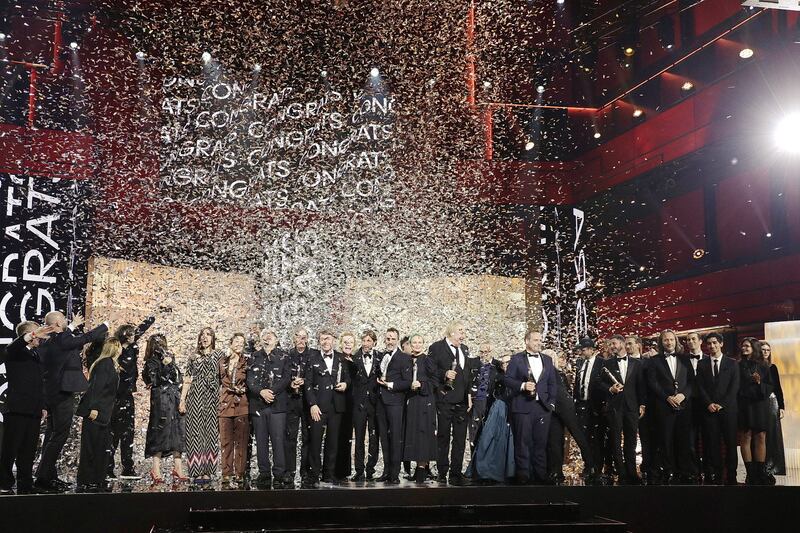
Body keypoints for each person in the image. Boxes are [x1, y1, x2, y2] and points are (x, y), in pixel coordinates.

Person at [35, 311, 109, 493]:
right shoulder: (62, 340)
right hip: (62, 394)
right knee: (59, 435)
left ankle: (49, 476)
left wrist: (72, 326)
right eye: (63, 319)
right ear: (57, 324)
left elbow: (67, 339)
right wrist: (106, 324)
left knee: (52, 435)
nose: (66, 321)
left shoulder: (51, 341)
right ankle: (43, 477)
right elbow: (86, 338)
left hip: (52, 393)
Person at [0, 322, 54, 494]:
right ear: (28, 334)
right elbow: (13, 347)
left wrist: (43, 406)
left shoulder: (35, 354)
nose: (39, 337)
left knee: (28, 450)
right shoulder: (14, 352)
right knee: (10, 449)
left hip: (33, 409)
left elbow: (38, 383)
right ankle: (4, 484)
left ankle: (25, 484)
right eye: (36, 333)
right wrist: (32, 335)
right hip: (17, 409)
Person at [503, 330, 557, 484]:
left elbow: (552, 383)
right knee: (522, 442)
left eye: (540, 340)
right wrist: (522, 385)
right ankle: (523, 476)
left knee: (541, 443)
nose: (539, 343)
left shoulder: (547, 360)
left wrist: (551, 403)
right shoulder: (516, 359)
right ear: (527, 341)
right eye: (535, 340)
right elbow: (507, 380)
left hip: (543, 407)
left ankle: (540, 475)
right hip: (523, 406)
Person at [107, 316, 155, 481]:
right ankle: (108, 468)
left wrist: (151, 318)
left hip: (127, 394)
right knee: (113, 433)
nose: (134, 336)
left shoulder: (132, 347)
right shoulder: (116, 350)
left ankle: (127, 468)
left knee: (128, 432)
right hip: (115, 396)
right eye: (131, 334)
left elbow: (140, 330)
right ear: (125, 336)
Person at [647, 329, 696, 485]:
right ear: (661, 342)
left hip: (684, 406)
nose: (669, 342)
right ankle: (668, 471)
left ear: (676, 341)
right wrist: (666, 397)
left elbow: (692, 382)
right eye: (666, 340)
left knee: (683, 440)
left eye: (671, 339)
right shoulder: (654, 360)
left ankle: (684, 472)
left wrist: (683, 395)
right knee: (665, 440)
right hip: (663, 406)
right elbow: (652, 383)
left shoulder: (685, 359)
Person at [428, 321, 475, 485]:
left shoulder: (464, 349)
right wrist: (444, 374)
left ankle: (456, 474)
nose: (463, 334)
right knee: (443, 437)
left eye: (464, 331)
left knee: (460, 439)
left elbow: (467, 373)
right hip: (444, 400)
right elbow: (430, 370)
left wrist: (469, 395)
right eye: (460, 331)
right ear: (451, 332)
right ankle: (442, 472)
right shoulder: (437, 347)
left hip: (462, 401)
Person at [304, 329, 351, 486]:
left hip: (336, 406)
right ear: (319, 341)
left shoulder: (341, 358)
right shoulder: (312, 358)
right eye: (323, 339)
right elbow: (308, 383)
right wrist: (312, 404)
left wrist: (345, 384)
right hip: (318, 406)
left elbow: (348, 379)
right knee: (315, 442)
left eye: (328, 338)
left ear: (333, 340)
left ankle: (328, 474)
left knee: (333, 442)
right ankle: (314, 475)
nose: (325, 341)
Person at [246, 328, 291, 489]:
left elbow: (286, 378)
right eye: (264, 336)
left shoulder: (284, 356)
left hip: (277, 405)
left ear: (276, 339)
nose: (267, 338)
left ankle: (279, 474)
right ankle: (264, 473)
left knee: (278, 440)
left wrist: (271, 392)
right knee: (261, 441)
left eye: (270, 336)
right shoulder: (253, 357)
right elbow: (250, 380)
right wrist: (261, 392)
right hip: (258, 405)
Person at [600, 334, 647, 485]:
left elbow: (641, 385)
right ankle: (621, 474)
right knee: (615, 441)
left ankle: (632, 473)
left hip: (632, 407)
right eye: (610, 344)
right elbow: (599, 383)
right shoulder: (607, 363)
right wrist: (610, 389)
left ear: (622, 343)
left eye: (614, 343)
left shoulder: (637, 363)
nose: (612, 346)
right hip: (614, 407)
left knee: (631, 441)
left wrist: (642, 404)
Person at [76, 338, 121, 492]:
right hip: (96, 412)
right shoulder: (105, 363)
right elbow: (96, 387)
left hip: (104, 413)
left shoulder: (109, 363)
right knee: (92, 446)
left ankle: (96, 478)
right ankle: (88, 479)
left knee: (100, 446)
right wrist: (93, 408)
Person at [180, 327, 223, 485]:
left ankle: (208, 471)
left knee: (211, 434)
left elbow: (224, 378)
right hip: (195, 397)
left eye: (208, 335)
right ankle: (197, 470)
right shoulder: (193, 356)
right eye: (203, 335)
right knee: (195, 433)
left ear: (213, 338)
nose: (205, 337)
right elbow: (187, 379)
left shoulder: (219, 355)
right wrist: (182, 400)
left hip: (213, 398)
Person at [695, 332, 739, 485]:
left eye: (714, 343)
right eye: (709, 343)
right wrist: (708, 403)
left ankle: (731, 475)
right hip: (709, 411)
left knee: (730, 444)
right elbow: (700, 387)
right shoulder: (702, 364)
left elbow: (734, 387)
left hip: (728, 411)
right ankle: (717, 474)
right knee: (712, 444)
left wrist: (722, 404)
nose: (712, 346)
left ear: (721, 344)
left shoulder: (732, 363)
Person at [545, 349, 594, 485]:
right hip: (553, 406)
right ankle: (557, 472)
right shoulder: (554, 372)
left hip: (564, 405)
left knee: (577, 433)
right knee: (554, 438)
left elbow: (564, 392)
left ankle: (591, 465)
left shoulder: (553, 372)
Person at [143, 334, 187, 483]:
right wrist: (165, 364)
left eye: (162, 343)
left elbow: (178, 378)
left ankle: (178, 468)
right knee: (159, 431)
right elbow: (153, 380)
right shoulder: (151, 362)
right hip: (161, 400)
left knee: (178, 431)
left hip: (174, 397)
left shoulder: (170, 358)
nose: (160, 346)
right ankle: (155, 469)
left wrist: (181, 398)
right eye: (157, 343)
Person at [376, 328, 412, 484]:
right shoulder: (382, 356)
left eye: (392, 339)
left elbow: (407, 382)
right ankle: (386, 471)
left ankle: (395, 474)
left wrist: (389, 384)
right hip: (381, 402)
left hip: (396, 402)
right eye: (388, 338)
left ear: (397, 340)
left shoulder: (404, 358)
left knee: (396, 438)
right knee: (384, 438)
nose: (390, 341)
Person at [350, 330, 385, 482]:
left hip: (375, 403)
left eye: (369, 340)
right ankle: (359, 470)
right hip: (359, 404)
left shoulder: (381, 357)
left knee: (374, 437)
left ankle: (371, 469)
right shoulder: (354, 358)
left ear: (374, 342)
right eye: (364, 340)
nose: (365, 343)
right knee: (359, 438)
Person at [403, 334, 438, 483]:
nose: (417, 345)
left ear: (423, 344)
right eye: (414, 343)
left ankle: (422, 469)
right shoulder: (406, 360)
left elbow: (435, 381)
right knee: (412, 433)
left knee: (423, 434)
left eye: (419, 342)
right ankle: (416, 469)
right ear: (410, 345)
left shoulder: (428, 360)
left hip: (425, 401)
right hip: (411, 401)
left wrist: (422, 385)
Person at [284, 326, 316, 487]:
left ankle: (305, 472)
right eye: (298, 337)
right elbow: (282, 376)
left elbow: (316, 377)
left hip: (308, 401)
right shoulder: (287, 355)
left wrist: (305, 382)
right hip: (292, 400)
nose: (301, 340)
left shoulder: (314, 355)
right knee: (290, 437)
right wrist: (291, 383)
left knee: (307, 437)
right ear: (294, 338)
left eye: (304, 337)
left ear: (307, 339)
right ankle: (289, 472)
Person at [738, 337, 773, 485]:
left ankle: (760, 473)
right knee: (745, 437)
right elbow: (735, 386)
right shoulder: (738, 365)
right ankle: (750, 474)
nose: (744, 348)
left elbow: (770, 386)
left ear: (754, 348)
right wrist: (749, 381)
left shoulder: (764, 366)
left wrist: (759, 382)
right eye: (743, 346)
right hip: (744, 405)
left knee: (761, 437)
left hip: (760, 405)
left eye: (747, 346)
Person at [218, 333, 250, 489]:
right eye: (236, 341)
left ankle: (240, 473)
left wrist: (244, 389)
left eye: (241, 342)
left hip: (241, 405)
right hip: (225, 405)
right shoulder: (222, 361)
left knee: (241, 441)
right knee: (226, 441)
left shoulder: (247, 361)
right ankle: (226, 473)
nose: (238, 344)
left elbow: (251, 382)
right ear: (230, 343)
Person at [573, 337, 606, 484]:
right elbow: (578, 383)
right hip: (581, 405)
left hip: (596, 406)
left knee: (597, 438)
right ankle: (588, 465)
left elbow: (602, 385)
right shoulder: (580, 363)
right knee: (584, 437)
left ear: (592, 350)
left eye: (584, 349)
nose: (581, 352)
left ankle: (597, 468)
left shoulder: (601, 363)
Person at [626, 335, 655, 484]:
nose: (627, 347)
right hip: (627, 407)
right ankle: (630, 472)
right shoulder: (622, 362)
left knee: (647, 438)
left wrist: (644, 404)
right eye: (626, 344)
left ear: (638, 345)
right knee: (629, 440)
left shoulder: (648, 362)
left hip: (646, 407)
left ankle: (647, 468)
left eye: (630, 343)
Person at [761, 341, 785, 483]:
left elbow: (778, 388)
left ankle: (771, 468)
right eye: (763, 349)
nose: (765, 352)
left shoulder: (772, 367)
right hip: (758, 404)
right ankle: (760, 468)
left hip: (772, 402)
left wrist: (782, 407)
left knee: (772, 434)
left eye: (768, 350)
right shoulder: (754, 366)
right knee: (760, 436)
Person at [468, 343, 499, 451]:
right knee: (474, 432)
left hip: (491, 401)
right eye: (481, 352)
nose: (484, 354)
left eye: (486, 352)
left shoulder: (498, 365)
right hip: (476, 402)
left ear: (491, 352)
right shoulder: (472, 363)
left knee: (489, 430)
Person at [684, 332, 706, 480]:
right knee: (690, 441)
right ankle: (694, 471)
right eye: (688, 340)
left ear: (700, 341)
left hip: (707, 406)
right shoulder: (682, 360)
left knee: (708, 439)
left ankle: (709, 470)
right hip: (688, 406)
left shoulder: (710, 359)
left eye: (693, 339)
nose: (691, 342)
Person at [335, 331, 357, 480]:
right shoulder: (337, 359)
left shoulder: (356, 360)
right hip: (339, 401)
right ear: (340, 344)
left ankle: (344, 471)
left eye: (351, 342)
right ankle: (335, 471)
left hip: (351, 403)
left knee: (346, 437)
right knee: (337, 436)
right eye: (345, 342)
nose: (348, 344)